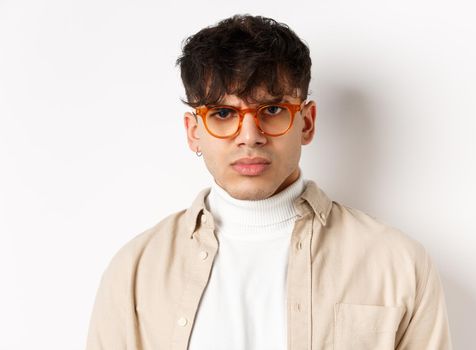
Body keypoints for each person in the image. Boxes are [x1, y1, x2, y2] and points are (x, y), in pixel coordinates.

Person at [86, 14, 453, 350]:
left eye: (273, 110)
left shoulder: (398, 264)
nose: (250, 136)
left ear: (306, 122)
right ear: (194, 132)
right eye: (223, 113)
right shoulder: (136, 271)